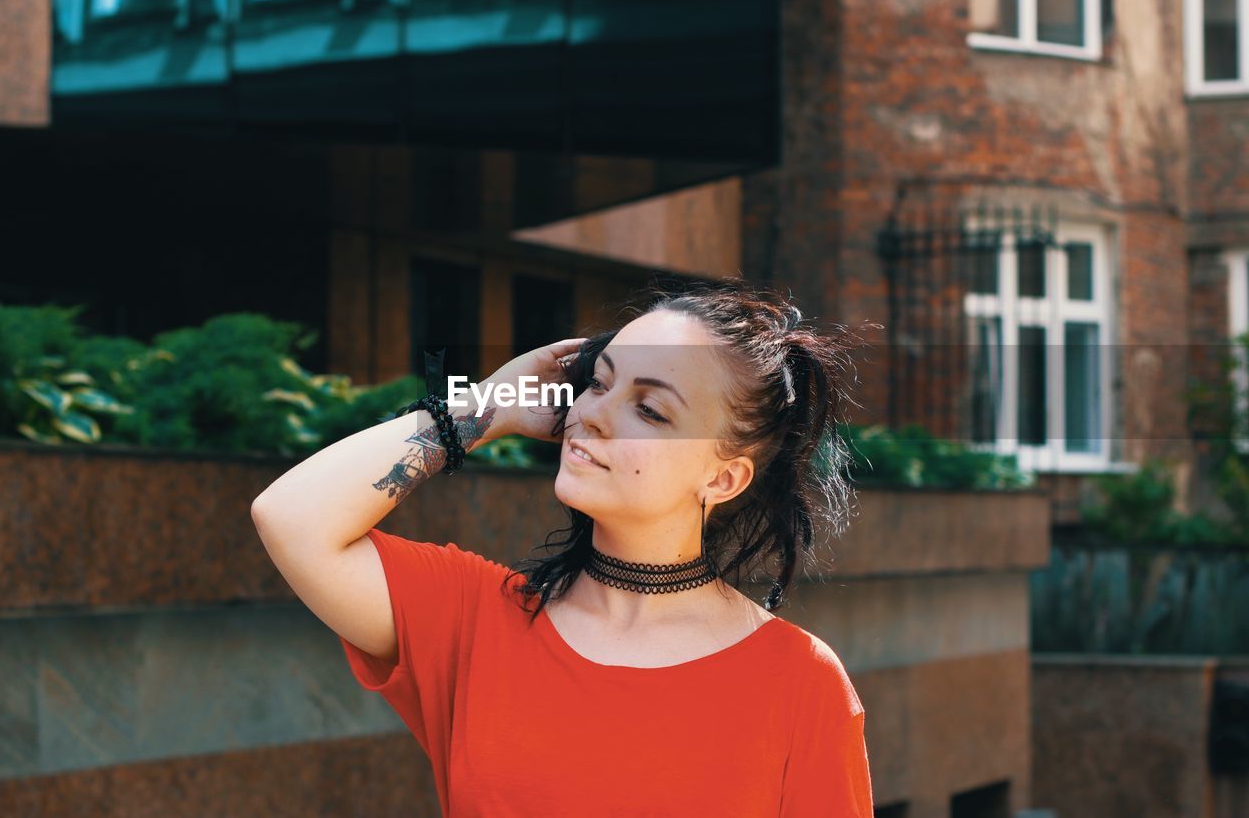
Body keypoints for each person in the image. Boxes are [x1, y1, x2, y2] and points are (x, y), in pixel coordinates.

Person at [252, 278, 876, 816]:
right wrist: (490, 405)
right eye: (597, 384)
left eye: (650, 410)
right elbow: (291, 517)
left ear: (723, 477)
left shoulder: (799, 683)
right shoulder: (475, 620)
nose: (594, 413)